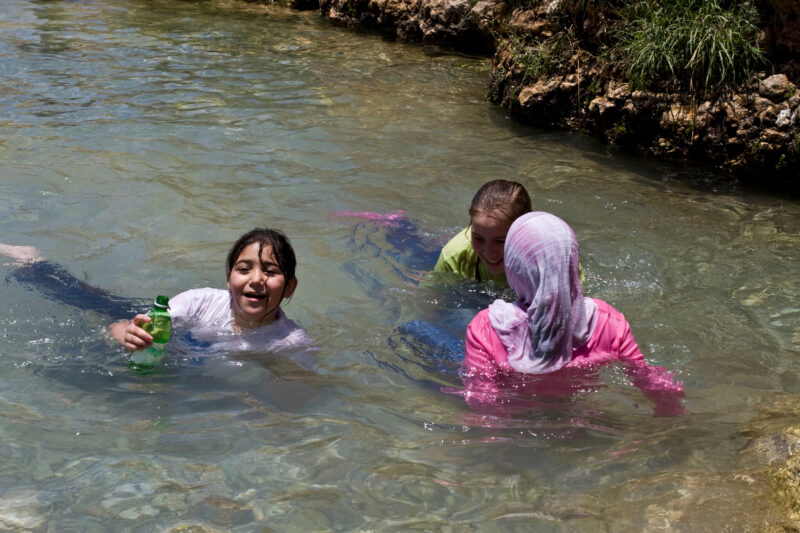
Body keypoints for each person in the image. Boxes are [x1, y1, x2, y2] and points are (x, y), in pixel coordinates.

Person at [460, 212, 685, 417]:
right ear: (571, 262)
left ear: (514, 266)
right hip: (586, 416)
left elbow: (482, 402)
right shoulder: (608, 321)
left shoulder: (487, 328)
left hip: (521, 423)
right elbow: (650, 381)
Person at [110, 227, 312, 355]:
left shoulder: (292, 343)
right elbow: (116, 328)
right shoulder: (198, 303)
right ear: (228, 280)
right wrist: (129, 336)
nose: (257, 279)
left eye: (269, 271)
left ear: (289, 287)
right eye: (243, 269)